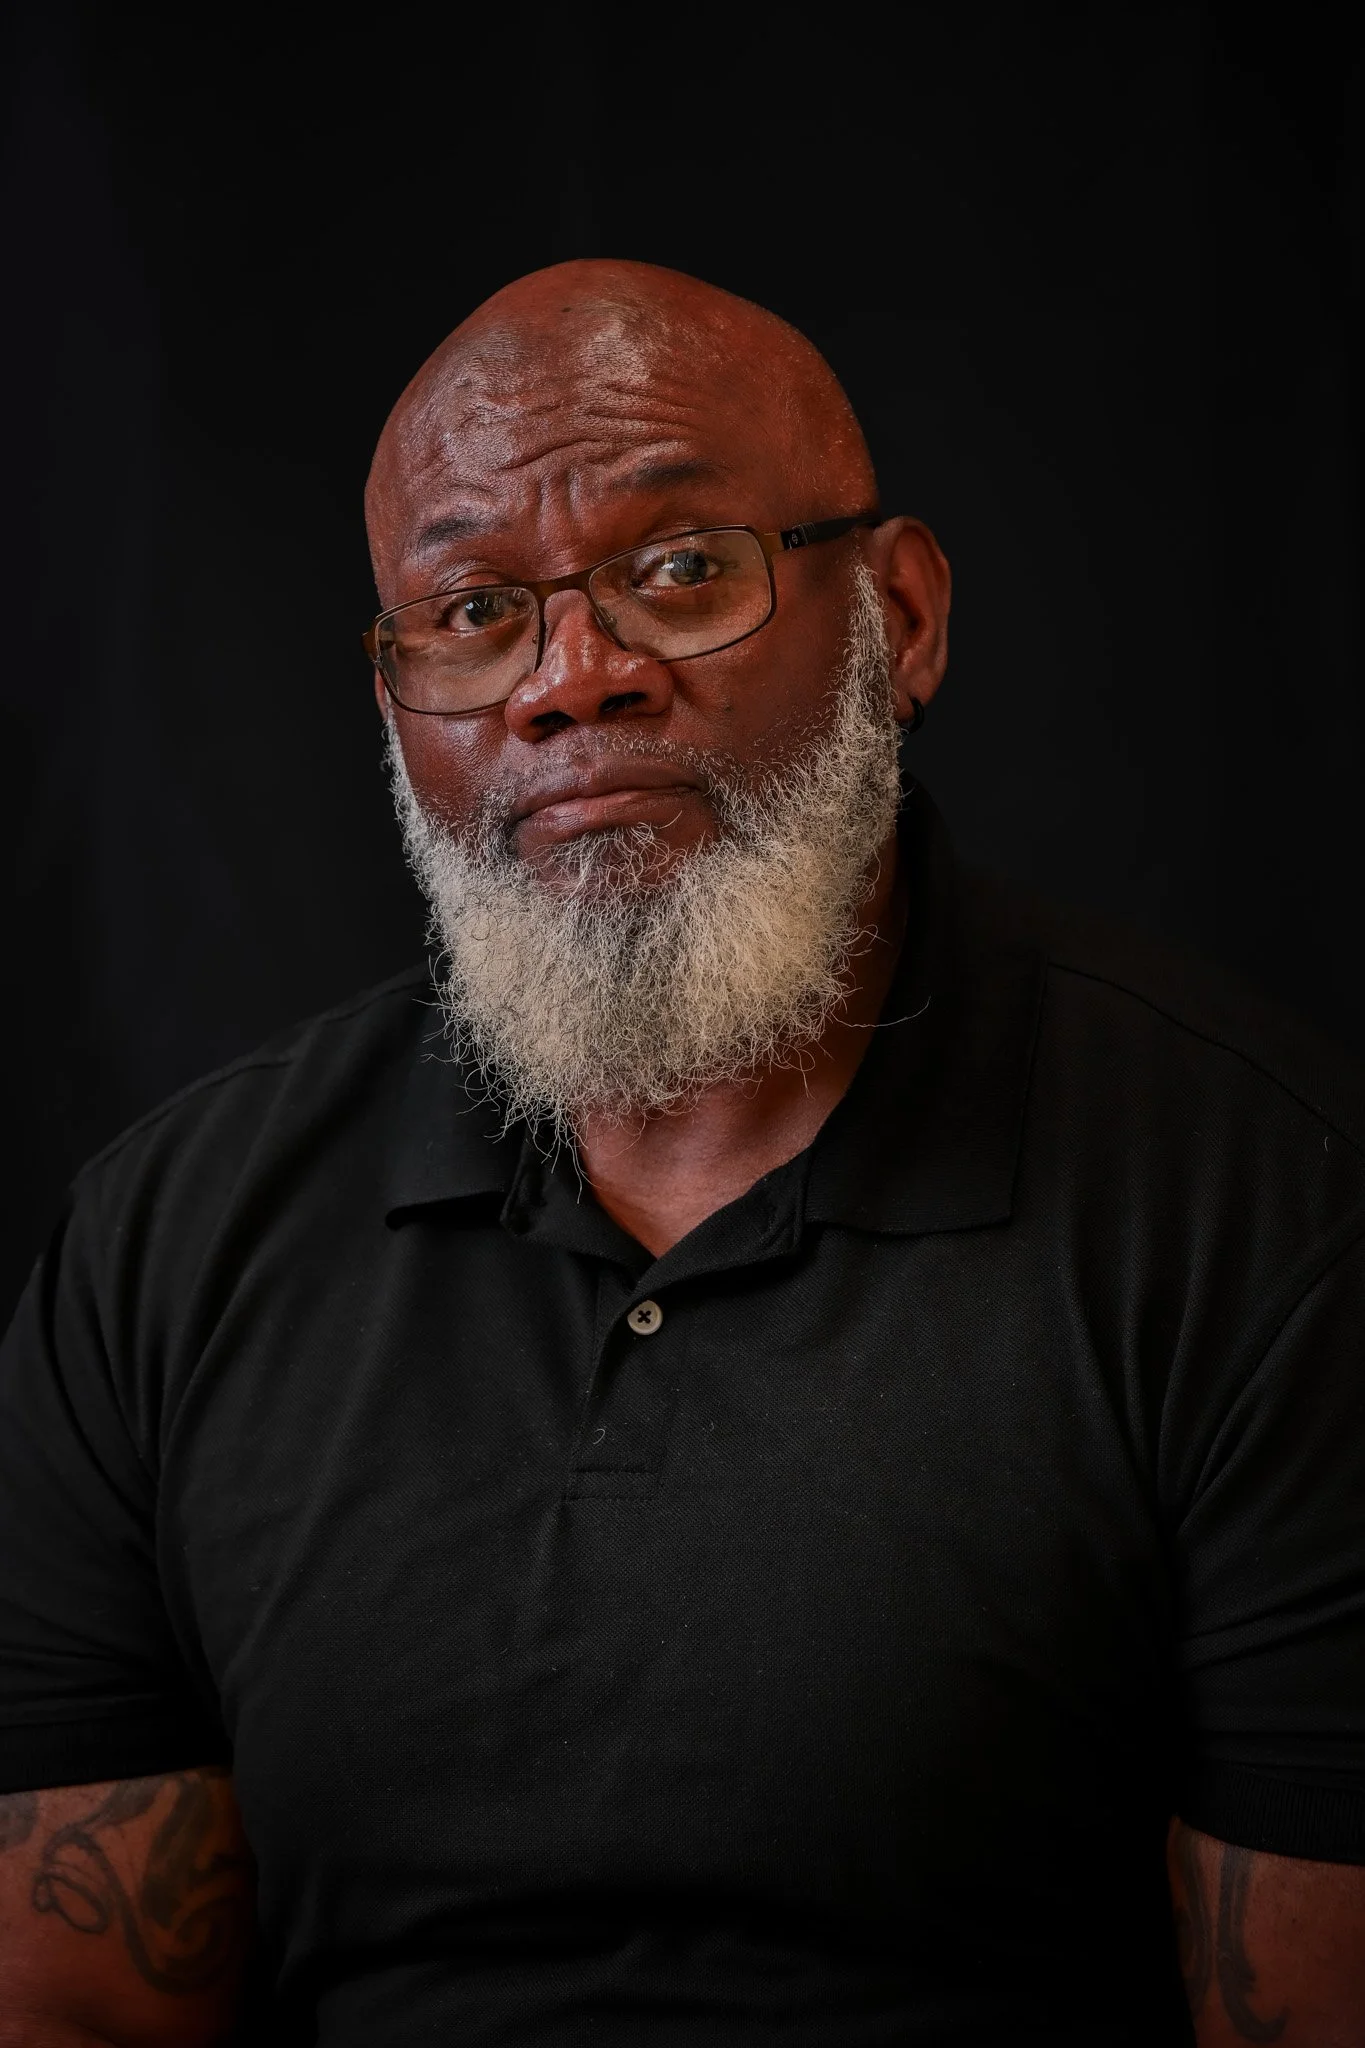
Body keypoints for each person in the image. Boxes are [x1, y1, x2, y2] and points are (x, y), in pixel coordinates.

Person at [0, 259, 1362, 2048]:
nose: (574, 684)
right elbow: (75, 2008)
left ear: (900, 619)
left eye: (680, 571)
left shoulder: (1265, 1202)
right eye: (473, 610)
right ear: (398, 695)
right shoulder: (170, 1241)